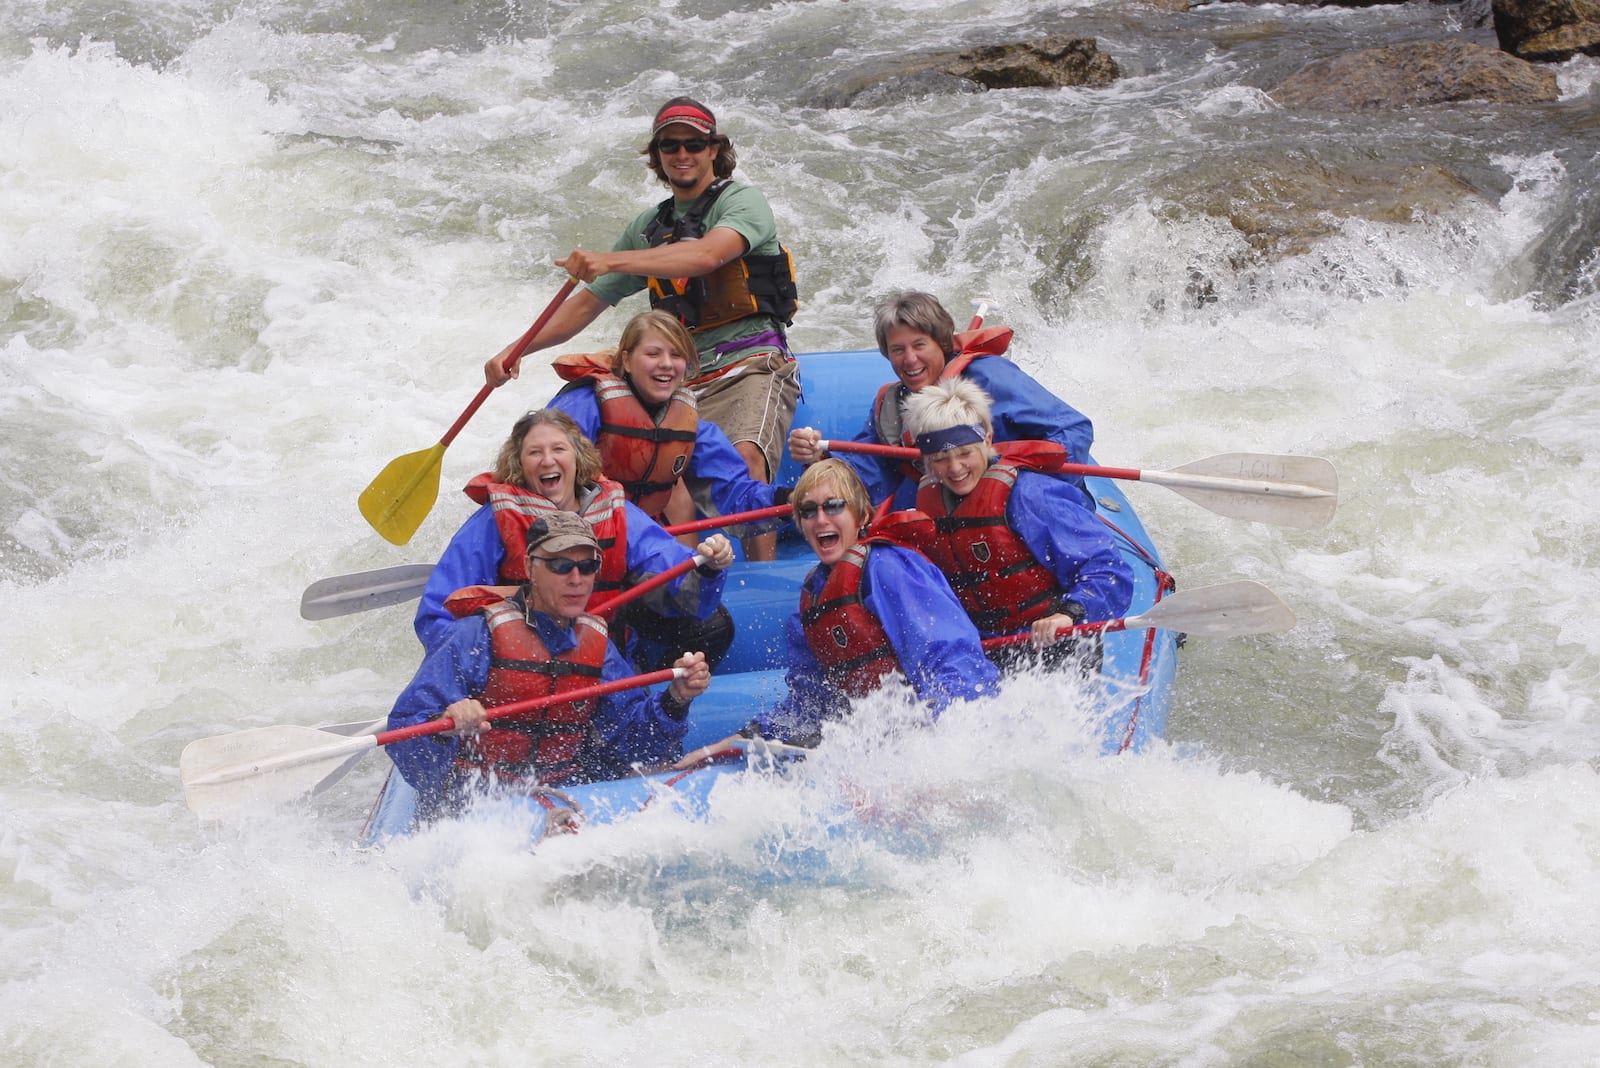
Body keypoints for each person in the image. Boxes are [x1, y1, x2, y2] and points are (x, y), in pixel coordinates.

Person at [484, 96, 800, 561]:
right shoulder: (648, 228)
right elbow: (588, 303)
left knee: (743, 458)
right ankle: (683, 580)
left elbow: (706, 255)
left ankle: (761, 575)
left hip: (750, 362)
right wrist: (516, 350)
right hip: (682, 376)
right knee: (661, 474)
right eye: (670, 146)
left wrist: (608, 259)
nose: (682, 154)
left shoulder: (742, 201)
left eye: (694, 143)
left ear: (714, 150)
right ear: (658, 157)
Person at [388, 511, 711, 822]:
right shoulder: (473, 636)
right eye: (560, 565)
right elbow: (404, 732)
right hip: (473, 804)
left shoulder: (599, 648)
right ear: (530, 567)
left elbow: (636, 746)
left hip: (563, 796)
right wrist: (445, 724)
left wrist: (675, 699)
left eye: (587, 566)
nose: (576, 579)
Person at [681, 459, 1000, 757]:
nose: (821, 519)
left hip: (950, 737)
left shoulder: (890, 568)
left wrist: (942, 749)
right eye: (808, 511)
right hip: (889, 745)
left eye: (834, 506)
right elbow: (808, 706)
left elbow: (953, 663)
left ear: (861, 516)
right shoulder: (811, 604)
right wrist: (727, 745)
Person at [414, 408, 737, 672]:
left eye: (558, 449)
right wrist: (470, 670)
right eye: (535, 452)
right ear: (520, 464)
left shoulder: (614, 509)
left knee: (714, 624)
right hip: (521, 660)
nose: (547, 460)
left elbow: (669, 566)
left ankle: (659, 698)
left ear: (577, 457)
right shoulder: (494, 520)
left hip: (601, 652)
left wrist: (708, 568)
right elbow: (439, 610)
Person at [902, 379, 1134, 673]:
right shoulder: (924, 501)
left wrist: (1069, 614)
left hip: (1051, 645)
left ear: (986, 441)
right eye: (940, 458)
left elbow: (1108, 570)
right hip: (983, 650)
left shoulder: (1030, 496)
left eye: (965, 453)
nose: (955, 468)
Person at [788, 291, 1095, 510]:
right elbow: (865, 471)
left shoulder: (988, 377)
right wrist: (818, 459)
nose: (910, 360)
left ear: (942, 344)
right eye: (897, 350)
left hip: (1018, 501)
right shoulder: (891, 406)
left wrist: (1011, 482)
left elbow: (1074, 430)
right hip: (944, 511)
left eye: (920, 345)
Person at [545, 309, 788, 544]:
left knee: (699, 576)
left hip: (636, 539)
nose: (666, 364)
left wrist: (788, 499)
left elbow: (735, 497)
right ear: (627, 360)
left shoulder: (692, 427)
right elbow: (548, 479)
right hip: (573, 537)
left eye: (676, 355)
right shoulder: (584, 405)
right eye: (653, 354)